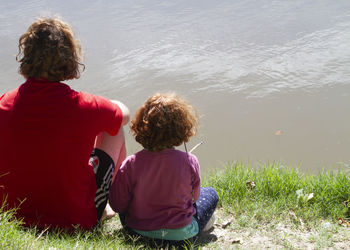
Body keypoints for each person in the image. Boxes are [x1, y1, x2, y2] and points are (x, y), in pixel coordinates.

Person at [0, 17, 129, 230]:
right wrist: (106, 106)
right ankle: (105, 205)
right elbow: (124, 114)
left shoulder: (4, 103)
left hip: (14, 216)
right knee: (114, 127)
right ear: (69, 58)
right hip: (75, 220)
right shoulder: (85, 106)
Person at [109, 93, 218, 243]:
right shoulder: (190, 161)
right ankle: (202, 226)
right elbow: (194, 198)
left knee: (127, 199)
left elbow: (117, 205)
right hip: (182, 238)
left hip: (137, 235)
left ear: (141, 127)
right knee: (211, 193)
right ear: (182, 128)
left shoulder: (130, 164)